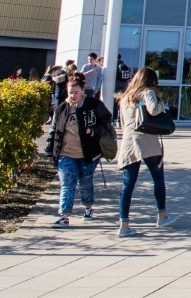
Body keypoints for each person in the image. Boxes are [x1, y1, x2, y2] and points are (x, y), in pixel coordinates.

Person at [114, 66, 178, 237]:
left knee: (128, 184)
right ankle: (161, 215)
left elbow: (121, 123)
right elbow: (153, 110)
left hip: (129, 141)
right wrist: (163, 104)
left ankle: (124, 223)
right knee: (158, 178)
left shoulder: (125, 97)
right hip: (147, 141)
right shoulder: (147, 92)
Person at [46, 74, 112, 226]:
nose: (72, 95)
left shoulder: (93, 105)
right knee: (67, 183)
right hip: (65, 153)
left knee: (85, 181)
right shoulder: (62, 108)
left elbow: (106, 120)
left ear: (83, 90)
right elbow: (53, 130)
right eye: (70, 92)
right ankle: (64, 215)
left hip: (88, 153)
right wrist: (50, 151)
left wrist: (94, 131)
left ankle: (88, 207)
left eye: (76, 92)